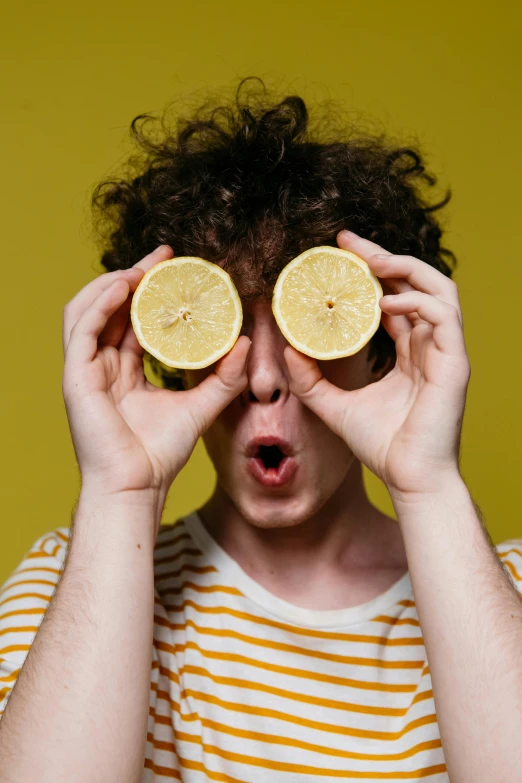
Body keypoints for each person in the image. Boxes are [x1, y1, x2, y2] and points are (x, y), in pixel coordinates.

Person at [0, 79, 521, 783]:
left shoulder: (504, 588)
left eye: (314, 322)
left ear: (380, 338)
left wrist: (428, 485)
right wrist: (121, 491)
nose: (266, 377)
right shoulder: (77, 582)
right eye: (228, 325)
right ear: (171, 348)